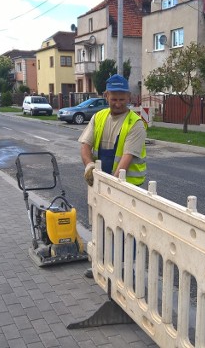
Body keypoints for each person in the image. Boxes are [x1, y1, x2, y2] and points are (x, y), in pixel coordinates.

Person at [78, 74, 147, 278]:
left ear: (129, 97)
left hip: (128, 186)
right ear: (106, 96)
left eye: (122, 99)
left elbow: (126, 159)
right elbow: (85, 146)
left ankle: (126, 271)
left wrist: (113, 185)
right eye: (114, 98)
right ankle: (100, 265)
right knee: (100, 224)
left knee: (127, 230)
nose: (117, 103)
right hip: (102, 183)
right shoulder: (98, 117)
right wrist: (90, 166)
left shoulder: (135, 123)